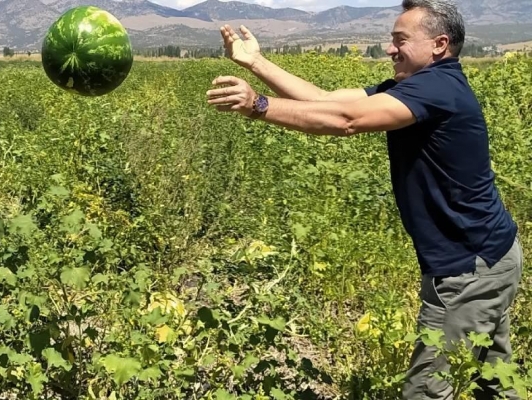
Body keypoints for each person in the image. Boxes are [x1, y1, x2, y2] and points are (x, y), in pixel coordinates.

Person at [206, 0, 522, 398]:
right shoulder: (421, 85)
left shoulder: (437, 88)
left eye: (400, 40)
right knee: (495, 384)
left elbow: (346, 121)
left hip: (468, 267)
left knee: (426, 391)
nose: (390, 49)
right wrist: (256, 63)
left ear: (439, 44)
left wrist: (257, 105)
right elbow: (326, 99)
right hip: (490, 256)